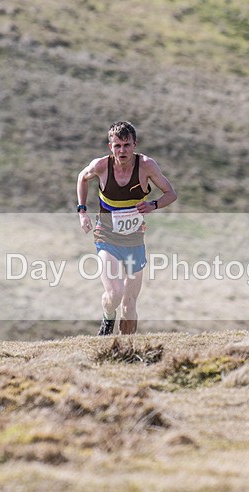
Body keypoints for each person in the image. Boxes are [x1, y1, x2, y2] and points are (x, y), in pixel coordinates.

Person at [77, 121, 177, 335]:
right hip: (106, 237)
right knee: (115, 293)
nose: (122, 150)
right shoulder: (101, 166)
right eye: (117, 146)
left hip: (134, 241)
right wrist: (82, 211)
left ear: (135, 145)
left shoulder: (147, 166)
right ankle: (107, 317)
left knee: (129, 304)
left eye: (127, 145)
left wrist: (153, 205)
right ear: (110, 147)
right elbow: (81, 178)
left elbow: (171, 193)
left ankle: (125, 349)